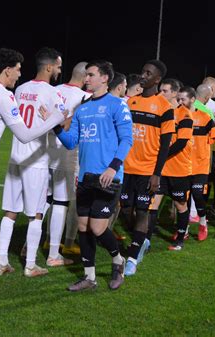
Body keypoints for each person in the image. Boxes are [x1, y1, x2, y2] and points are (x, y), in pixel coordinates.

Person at [54, 60, 133, 291]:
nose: (86, 79)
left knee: (98, 228)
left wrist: (112, 167)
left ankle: (118, 261)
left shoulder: (117, 105)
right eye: (86, 75)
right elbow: (71, 143)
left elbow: (127, 139)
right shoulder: (83, 107)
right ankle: (90, 277)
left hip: (109, 177)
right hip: (85, 178)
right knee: (82, 225)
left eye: (91, 75)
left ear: (105, 78)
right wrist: (57, 126)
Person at [0, 47, 67, 277]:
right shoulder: (53, 92)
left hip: (16, 155)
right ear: (48, 67)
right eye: (57, 66)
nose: (59, 70)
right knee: (36, 213)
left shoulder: (21, 89)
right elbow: (63, 124)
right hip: (36, 159)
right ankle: (29, 265)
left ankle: (2, 261)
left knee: (10, 210)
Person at [121, 61, 175, 276]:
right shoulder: (130, 102)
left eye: (148, 73)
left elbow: (165, 145)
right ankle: (140, 240)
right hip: (126, 168)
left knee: (143, 212)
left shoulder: (164, 107)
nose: (143, 76)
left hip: (147, 170)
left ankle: (132, 258)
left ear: (157, 79)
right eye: (142, 71)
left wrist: (157, 173)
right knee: (126, 210)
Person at [45, 62, 91, 258]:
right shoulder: (86, 98)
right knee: (65, 203)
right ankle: (62, 245)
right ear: (85, 76)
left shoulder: (53, 90)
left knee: (46, 201)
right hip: (69, 156)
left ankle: (43, 239)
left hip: (47, 153)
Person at [145, 83, 193, 251]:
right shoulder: (160, 111)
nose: (161, 93)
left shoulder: (184, 114)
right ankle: (146, 242)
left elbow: (181, 143)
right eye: (161, 90)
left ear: (174, 93)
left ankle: (180, 239)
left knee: (181, 206)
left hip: (179, 171)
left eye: (165, 91)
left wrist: (161, 156)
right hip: (161, 171)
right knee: (152, 205)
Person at [182, 86, 215, 241]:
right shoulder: (179, 115)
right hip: (183, 165)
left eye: (183, 99)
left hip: (200, 165)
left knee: (197, 195)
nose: (180, 102)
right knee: (183, 199)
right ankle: (183, 229)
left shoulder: (204, 116)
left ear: (192, 99)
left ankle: (203, 223)